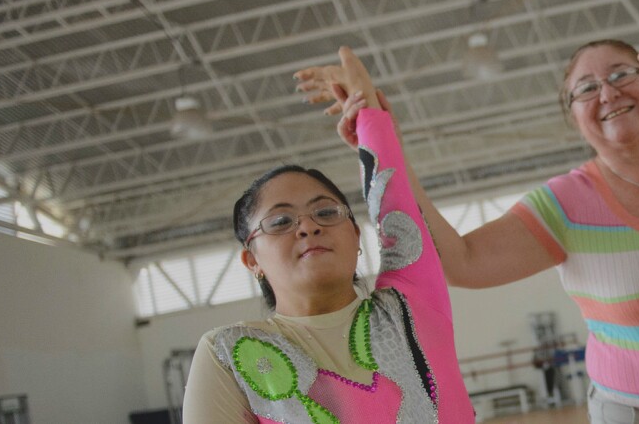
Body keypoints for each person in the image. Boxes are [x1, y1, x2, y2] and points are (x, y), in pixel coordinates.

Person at [294, 41, 639, 423]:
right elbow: (460, 261)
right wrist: (382, 138)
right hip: (635, 416)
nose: (608, 92)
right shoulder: (565, 203)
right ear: (573, 115)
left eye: (624, 73)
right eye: (586, 88)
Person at [182, 49, 474, 423]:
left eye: (325, 212)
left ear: (356, 236)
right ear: (251, 260)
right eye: (280, 221)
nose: (307, 226)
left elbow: (395, 203)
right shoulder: (229, 354)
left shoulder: (410, 307)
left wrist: (368, 111)